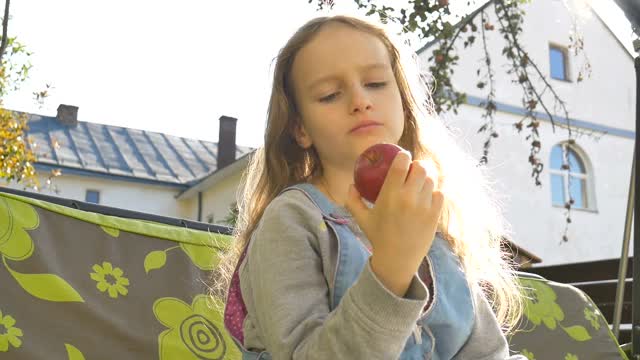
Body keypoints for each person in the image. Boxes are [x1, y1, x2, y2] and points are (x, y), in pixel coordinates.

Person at [219, 14, 528, 359]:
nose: (359, 100)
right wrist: (390, 271)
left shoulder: (429, 217)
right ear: (300, 129)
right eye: (330, 94)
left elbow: (487, 353)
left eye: (377, 84)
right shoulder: (291, 220)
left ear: (404, 104)